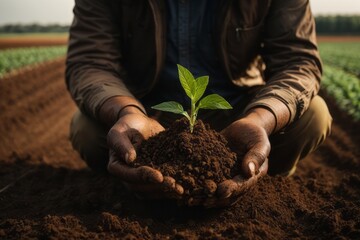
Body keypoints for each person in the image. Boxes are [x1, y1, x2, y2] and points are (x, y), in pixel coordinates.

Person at [66, 0, 332, 206]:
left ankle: (258, 176)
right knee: (86, 129)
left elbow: (297, 62)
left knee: (314, 116)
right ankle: (138, 180)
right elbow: (90, 61)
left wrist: (260, 119)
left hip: (238, 114)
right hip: (149, 118)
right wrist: (127, 111)